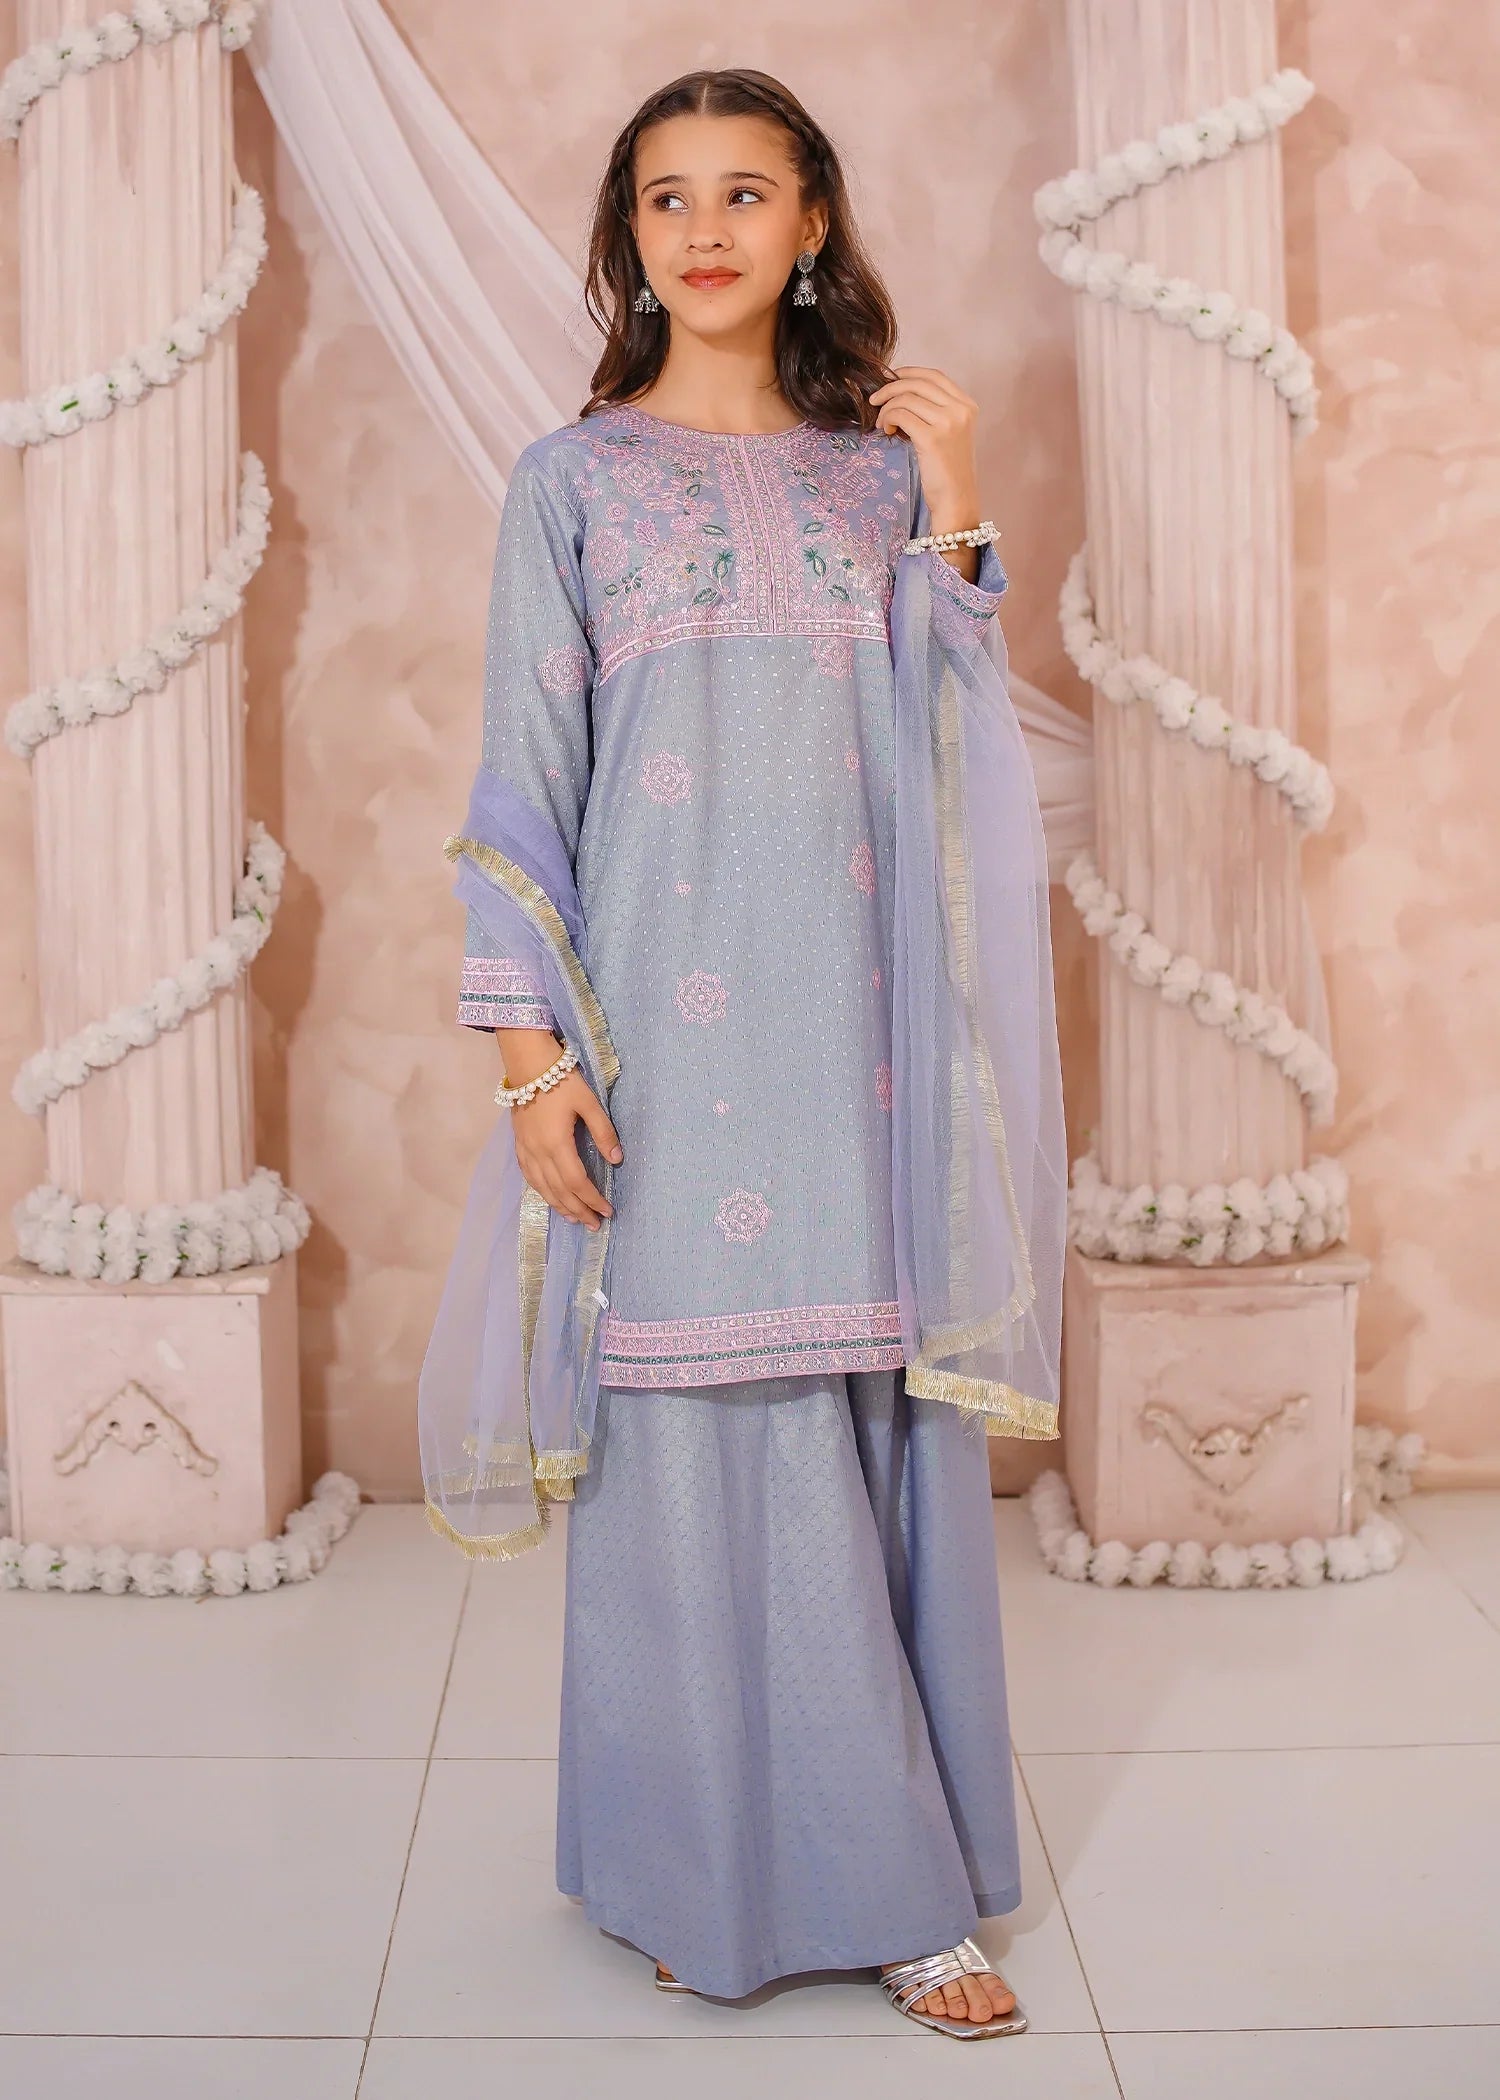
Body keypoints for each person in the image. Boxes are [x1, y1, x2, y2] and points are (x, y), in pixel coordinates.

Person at [418, 66, 1066, 2041]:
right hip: (661, 1023)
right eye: (667, 197)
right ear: (628, 239)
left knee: (860, 1411)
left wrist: (956, 505)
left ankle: (903, 1885)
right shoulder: (573, 480)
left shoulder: (876, 478)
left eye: (746, 192)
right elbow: (522, 779)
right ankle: (698, 1864)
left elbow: (955, 750)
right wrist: (527, 1054)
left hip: (855, 1027)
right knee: (693, 1430)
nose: (705, 230)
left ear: (811, 224)